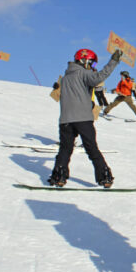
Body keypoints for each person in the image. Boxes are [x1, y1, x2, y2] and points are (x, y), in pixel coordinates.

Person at [48, 48, 121, 188]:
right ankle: (105, 177)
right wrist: (114, 61)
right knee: (92, 148)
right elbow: (100, 76)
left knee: (65, 149)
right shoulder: (84, 73)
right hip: (82, 119)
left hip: (65, 120)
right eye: (92, 64)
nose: (93, 67)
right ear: (84, 60)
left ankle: (59, 176)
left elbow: (64, 95)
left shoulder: (65, 77)